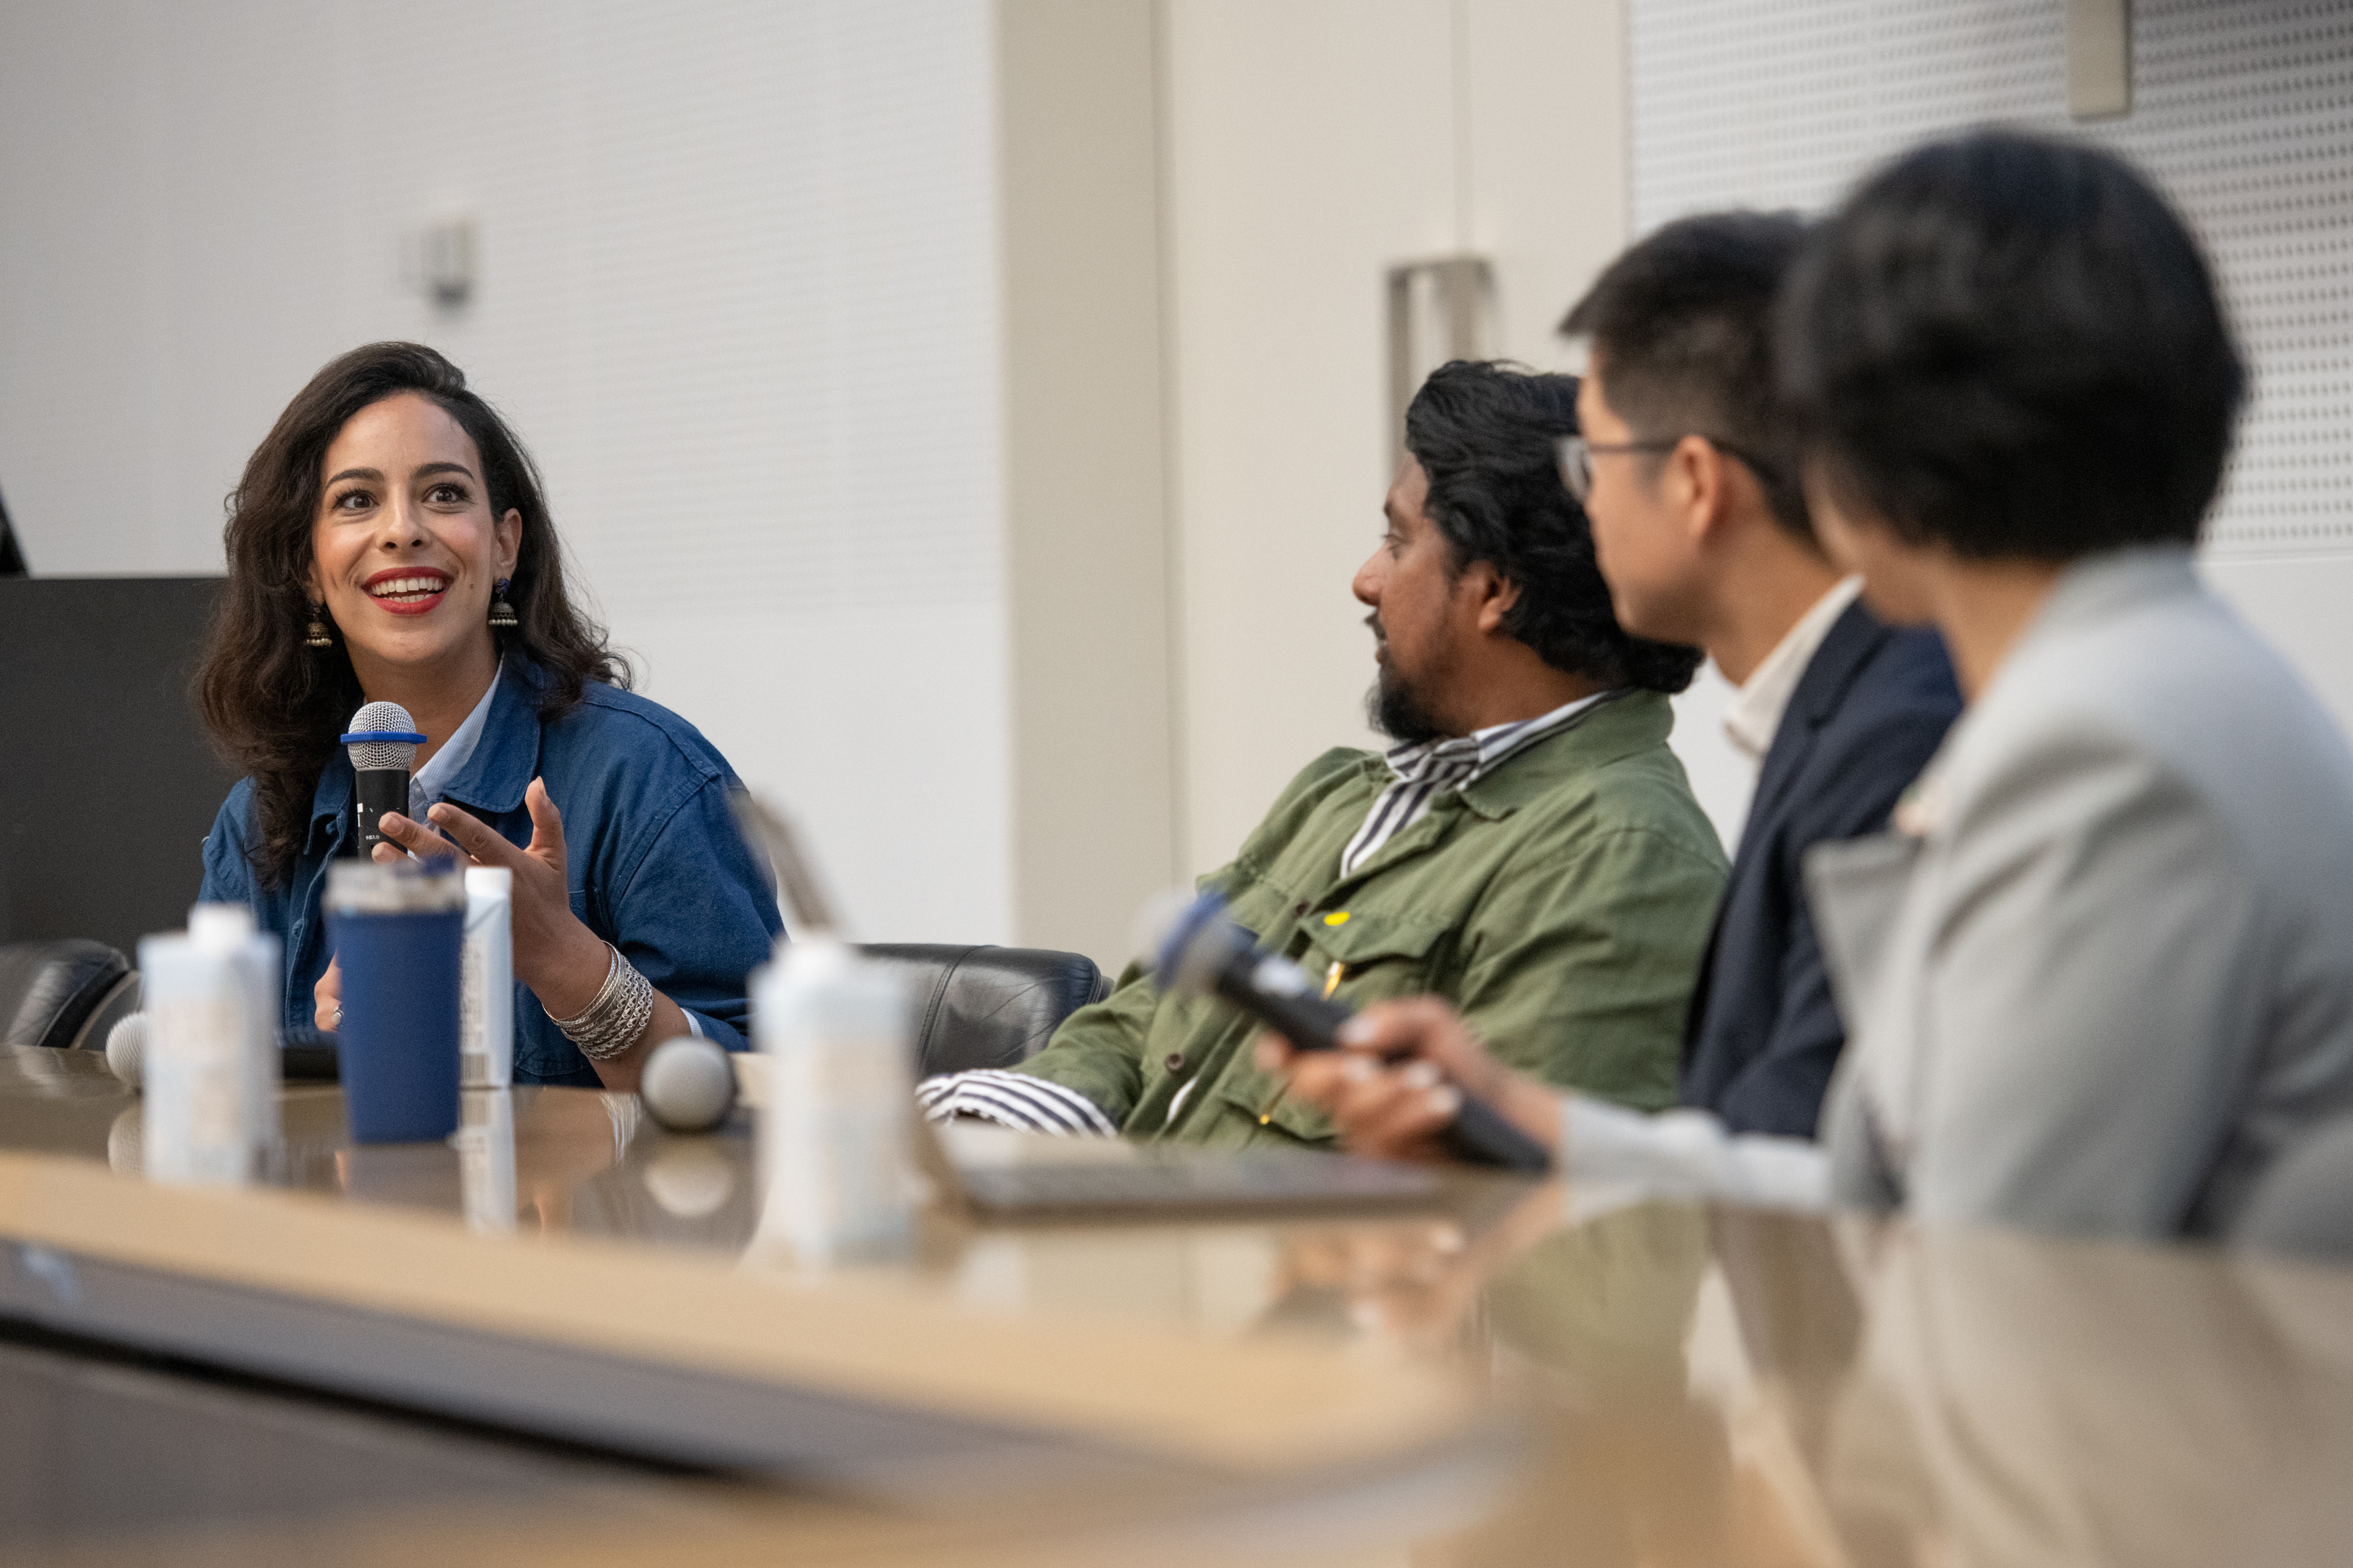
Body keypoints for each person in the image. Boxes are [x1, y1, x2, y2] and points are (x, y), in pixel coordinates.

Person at [1269, 131, 2353, 1242]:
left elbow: (1978, 1282)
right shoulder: (2143, 683)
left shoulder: (2097, 750)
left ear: (1875, 445)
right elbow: (1880, 1196)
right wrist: (1543, 1133)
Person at [918, 360, 1727, 1148]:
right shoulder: (1339, 793)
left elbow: (1534, 1234)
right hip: (1120, 1245)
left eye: (1397, 541)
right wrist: (1001, 1126)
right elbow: (1139, 1021)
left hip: (1256, 1277)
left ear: (1496, 590)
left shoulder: (1618, 856)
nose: (1365, 580)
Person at [196, 342, 782, 1090]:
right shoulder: (262, 815)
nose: (402, 530)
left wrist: (565, 965)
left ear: (504, 546)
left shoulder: (645, 777)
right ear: (306, 569)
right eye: (355, 501)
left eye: (443, 494)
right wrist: (330, 1064)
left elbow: (771, 1092)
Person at [1561, 211, 1961, 1134]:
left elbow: (1802, 1143)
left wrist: (1531, 1137)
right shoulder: (1854, 693)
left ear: (1696, 484)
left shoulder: (1899, 730)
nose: (1583, 505)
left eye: (1592, 463)